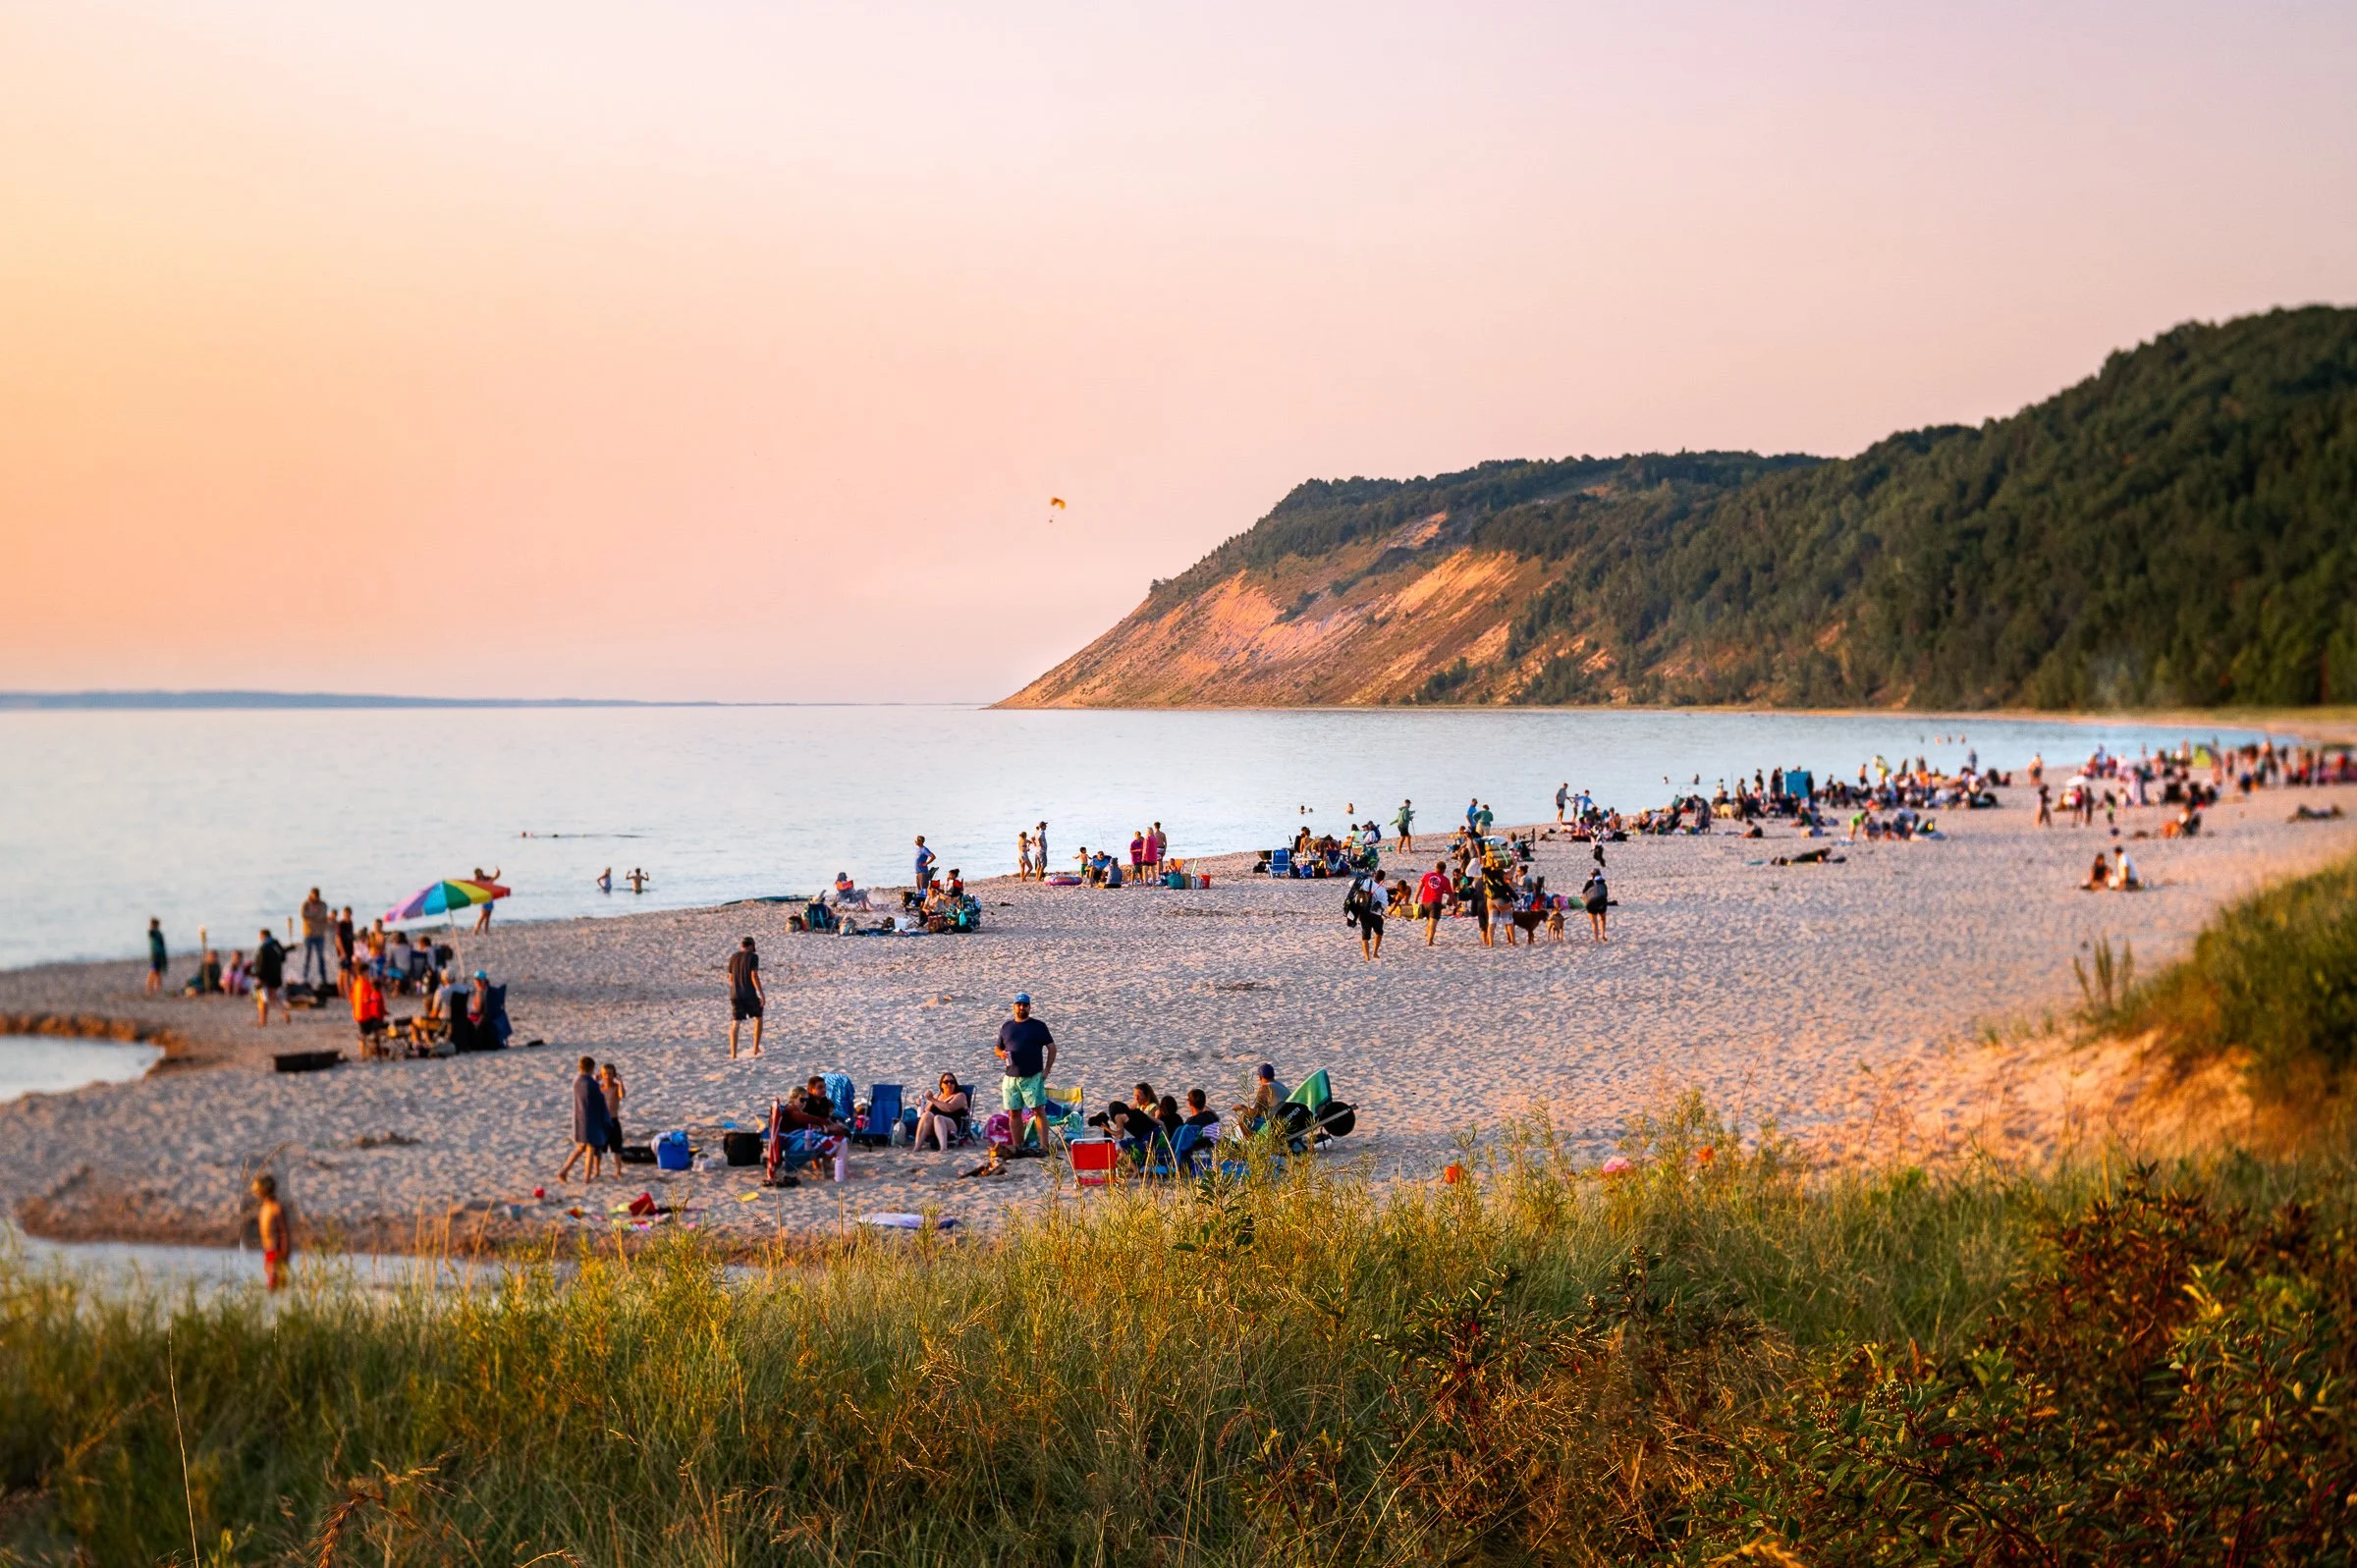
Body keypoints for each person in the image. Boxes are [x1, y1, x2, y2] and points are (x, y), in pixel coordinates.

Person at [995, 993, 1057, 1156]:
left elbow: (1051, 1047)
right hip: (1010, 1077)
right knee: (1014, 1112)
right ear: (1014, 1006)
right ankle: (1018, 1147)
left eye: (1025, 1005)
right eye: (1019, 1004)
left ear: (1029, 1007)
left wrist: (1047, 1070)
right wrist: (1000, 1054)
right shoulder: (1006, 1026)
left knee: (1038, 1111)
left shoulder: (1038, 1026)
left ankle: (1044, 1147)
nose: (1021, 1007)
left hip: (1032, 1076)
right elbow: (998, 1047)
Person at [558, 1055, 612, 1181]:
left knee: (581, 1147)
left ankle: (563, 1171)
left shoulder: (577, 1080)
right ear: (592, 1068)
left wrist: (595, 1081)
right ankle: (587, 1177)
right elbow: (600, 1100)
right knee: (590, 1147)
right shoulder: (592, 1084)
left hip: (580, 1118)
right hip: (591, 1120)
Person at [251, 1173, 292, 1291]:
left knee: (276, 1283)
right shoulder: (265, 1206)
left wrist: (284, 1254)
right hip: (268, 1249)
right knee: (270, 1281)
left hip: (277, 1251)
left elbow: (284, 1233)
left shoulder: (276, 1208)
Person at [727, 936, 764, 1059]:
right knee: (758, 1017)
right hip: (749, 993)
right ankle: (755, 1048)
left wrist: (736, 988)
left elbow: (730, 979)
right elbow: (754, 975)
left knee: (735, 1023)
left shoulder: (733, 957)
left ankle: (733, 1054)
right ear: (751, 946)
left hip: (735, 994)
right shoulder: (753, 957)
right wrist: (761, 993)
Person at [912, 1072, 970, 1152]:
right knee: (927, 1115)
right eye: (946, 1082)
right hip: (933, 1127)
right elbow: (926, 1111)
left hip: (952, 1126)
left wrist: (932, 1099)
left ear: (955, 1084)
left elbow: (949, 1108)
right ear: (941, 1085)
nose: (949, 1084)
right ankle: (917, 1147)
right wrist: (920, 1103)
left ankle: (943, 1148)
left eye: (952, 1082)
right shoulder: (937, 1096)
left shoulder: (960, 1096)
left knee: (938, 1118)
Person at [252, 928, 291, 1026]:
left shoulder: (263, 947)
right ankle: (283, 1012)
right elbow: (283, 958)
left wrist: (258, 976)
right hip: (276, 976)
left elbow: (260, 964)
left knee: (262, 999)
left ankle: (262, 1021)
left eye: (260, 937)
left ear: (263, 936)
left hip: (265, 977)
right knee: (272, 998)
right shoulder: (276, 945)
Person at [1232, 1063, 1288, 1128]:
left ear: (1260, 1077)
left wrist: (1242, 1107)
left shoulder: (1265, 1087)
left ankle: (1251, 1138)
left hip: (1277, 1122)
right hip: (1287, 1116)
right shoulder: (1280, 1085)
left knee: (1243, 1118)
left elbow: (1256, 1114)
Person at [1343, 875, 1385, 960]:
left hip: (1363, 914)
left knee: (1365, 936)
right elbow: (1383, 903)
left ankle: (1367, 957)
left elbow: (1350, 883)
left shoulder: (1362, 886)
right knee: (1379, 933)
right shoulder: (1380, 888)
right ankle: (1375, 953)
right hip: (1376, 915)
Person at [350, 964, 388, 1055]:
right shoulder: (365, 983)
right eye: (367, 972)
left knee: (363, 1032)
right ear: (364, 972)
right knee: (378, 1028)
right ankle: (374, 1050)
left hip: (357, 1014)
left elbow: (352, 998)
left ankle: (365, 1052)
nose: (368, 974)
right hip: (365, 1014)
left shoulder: (356, 983)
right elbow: (367, 999)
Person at [299, 888, 330, 986]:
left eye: (317, 895)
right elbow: (303, 915)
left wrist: (312, 915)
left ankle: (323, 979)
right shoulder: (306, 904)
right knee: (307, 957)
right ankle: (304, 978)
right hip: (309, 934)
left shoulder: (323, 904)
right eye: (314, 895)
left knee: (321, 957)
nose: (315, 897)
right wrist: (316, 914)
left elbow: (322, 915)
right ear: (311, 894)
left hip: (320, 934)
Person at [1417, 861, 1451, 945]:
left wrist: (1416, 898)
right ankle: (1430, 941)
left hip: (1424, 902)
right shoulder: (1445, 879)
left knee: (1429, 921)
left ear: (1436, 868)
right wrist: (1455, 904)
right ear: (1444, 870)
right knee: (1433, 923)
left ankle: (1428, 938)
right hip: (1435, 903)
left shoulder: (1427, 875)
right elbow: (1451, 894)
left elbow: (1420, 886)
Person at [599, 1061, 627, 1160]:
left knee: (617, 1149)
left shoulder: (616, 1087)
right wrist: (595, 1080)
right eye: (605, 1074)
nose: (607, 1076)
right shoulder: (599, 1088)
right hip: (601, 1121)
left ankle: (617, 1171)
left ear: (613, 1075)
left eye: (610, 1074)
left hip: (613, 1120)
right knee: (599, 1149)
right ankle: (596, 1171)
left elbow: (622, 1095)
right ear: (601, 1075)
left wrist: (620, 1082)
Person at [1582, 867, 1609, 942]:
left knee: (1594, 922)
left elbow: (1584, 893)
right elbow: (1606, 894)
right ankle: (1603, 935)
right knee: (1603, 919)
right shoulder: (1602, 882)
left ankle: (1596, 940)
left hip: (1591, 903)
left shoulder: (1589, 882)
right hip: (1602, 901)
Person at [470, 866, 501, 932]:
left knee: (488, 915)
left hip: (490, 898)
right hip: (484, 898)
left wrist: (498, 872)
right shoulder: (477, 880)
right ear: (477, 873)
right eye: (479, 872)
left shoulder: (486, 878)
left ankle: (486, 931)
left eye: (480, 871)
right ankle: (476, 930)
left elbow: (494, 878)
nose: (481, 872)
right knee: (483, 915)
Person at [145, 918, 167, 995]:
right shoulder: (153, 933)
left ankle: (157, 987)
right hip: (155, 955)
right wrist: (151, 926)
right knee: (153, 971)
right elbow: (150, 932)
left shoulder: (159, 933)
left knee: (157, 972)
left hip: (159, 955)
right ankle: (149, 987)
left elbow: (163, 945)